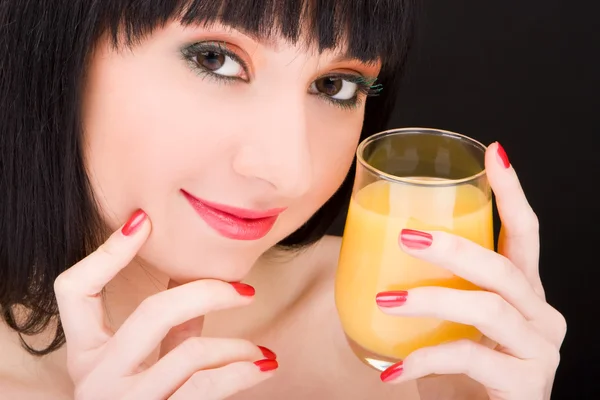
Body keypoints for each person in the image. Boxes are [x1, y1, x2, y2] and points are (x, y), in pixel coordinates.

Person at [0, 0, 566, 399]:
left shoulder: (417, 333)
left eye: (335, 85)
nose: (290, 171)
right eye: (215, 59)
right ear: (61, 51)